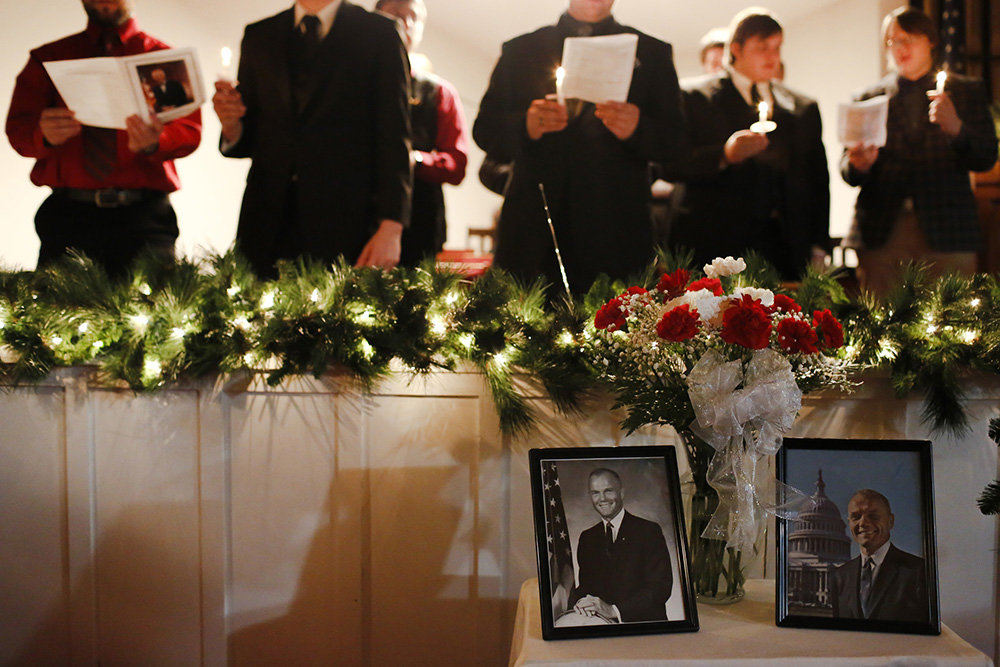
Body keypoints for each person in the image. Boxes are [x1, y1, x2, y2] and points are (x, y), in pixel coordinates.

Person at [473, 0, 685, 295]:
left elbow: (676, 143)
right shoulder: (521, 50)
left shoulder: (652, 52)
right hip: (534, 228)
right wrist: (527, 124)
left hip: (617, 228)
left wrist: (638, 129)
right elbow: (485, 130)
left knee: (617, 334)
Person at [213, 0, 412, 277]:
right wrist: (232, 126)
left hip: (347, 221)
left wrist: (392, 226)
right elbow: (253, 135)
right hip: (264, 220)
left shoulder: (379, 32)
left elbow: (394, 134)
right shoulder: (259, 34)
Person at [5, 0, 201, 276]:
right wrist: (44, 135)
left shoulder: (164, 59)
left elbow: (190, 131)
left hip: (145, 220)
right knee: (58, 318)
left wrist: (156, 141)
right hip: (68, 218)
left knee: (157, 316)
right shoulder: (48, 59)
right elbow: (18, 130)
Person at [663, 8, 829, 281]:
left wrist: (819, 244)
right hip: (716, 243)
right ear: (736, 48)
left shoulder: (802, 107)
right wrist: (724, 155)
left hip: (784, 248)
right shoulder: (693, 96)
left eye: (777, 47)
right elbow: (669, 163)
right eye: (763, 47)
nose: (773, 57)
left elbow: (817, 180)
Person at [842, 7, 998, 295]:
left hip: (949, 230)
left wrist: (957, 129)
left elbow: (986, 155)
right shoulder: (868, 97)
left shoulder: (966, 91)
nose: (901, 48)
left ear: (930, 41)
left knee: (951, 326)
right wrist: (859, 164)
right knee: (880, 329)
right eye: (894, 41)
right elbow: (847, 169)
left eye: (909, 38)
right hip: (882, 231)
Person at [375, 0, 469, 267]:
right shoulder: (350, 79)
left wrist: (414, 160)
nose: (406, 23)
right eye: (396, 14)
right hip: (356, 217)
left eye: (413, 17)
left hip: (420, 223)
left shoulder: (440, 92)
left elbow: (456, 164)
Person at [566, 468, 672, 623]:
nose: (602, 498)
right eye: (595, 493)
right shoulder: (587, 537)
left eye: (608, 491)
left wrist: (614, 610)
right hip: (602, 626)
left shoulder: (648, 531)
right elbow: (587, 586)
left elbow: (660, 588)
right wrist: (580, 603)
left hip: (644, 627)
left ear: (621, 493)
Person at [830, 489, 929, 622]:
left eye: (873, 516)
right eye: (856, 516)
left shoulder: (918, 571)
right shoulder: (840, 576)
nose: (863, 523)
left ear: (890, 521)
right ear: (849, 522)